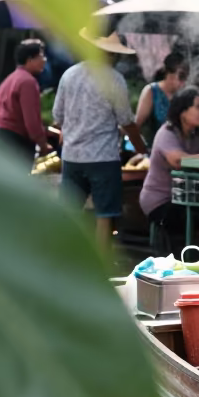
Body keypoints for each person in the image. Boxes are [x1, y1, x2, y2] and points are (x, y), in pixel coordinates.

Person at [53, 32, 149, 249]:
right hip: (102, 157)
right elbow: (126, 120)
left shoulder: (69, 75)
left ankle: (62, 256)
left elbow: (58, 116)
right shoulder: (114, 79)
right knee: (104, 215)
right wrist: (141, 148)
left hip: (72, 157)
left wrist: (68, 133)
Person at [139, 87, 199, 255]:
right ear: (183, 112)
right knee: (187, 218)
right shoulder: (166, 133)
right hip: (160, 200)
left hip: (185, 199)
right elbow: (178, 161)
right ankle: (181, 263)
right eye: (198, 107)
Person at [0, 38, 52, 170]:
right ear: (30, 60)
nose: (44, 60)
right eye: (41, 56)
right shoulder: (28, 82)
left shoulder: (10, 78)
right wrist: (43, 144)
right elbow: (32, 121)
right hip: (15, 143)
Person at [134, 52, 189, 147]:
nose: (184, 83)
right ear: (169, 75)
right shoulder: (152, 92)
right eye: (181, 77)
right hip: (155, 149)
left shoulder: (183, 95)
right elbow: (137, 125)